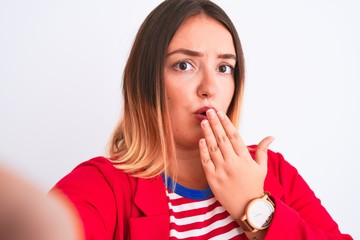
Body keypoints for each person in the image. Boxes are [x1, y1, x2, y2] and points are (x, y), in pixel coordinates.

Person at [0, 0, 353, 239]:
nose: (209, 88)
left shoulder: (272, 171)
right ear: (147, 79)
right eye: (184, 65)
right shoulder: (104, 185)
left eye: (224, 67)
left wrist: (255, 208)